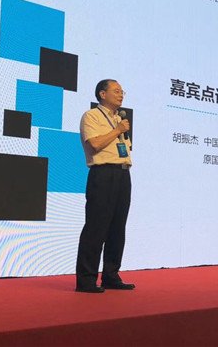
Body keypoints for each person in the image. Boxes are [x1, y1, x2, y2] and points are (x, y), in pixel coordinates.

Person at [75, 79, 135, 293]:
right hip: (102, 174)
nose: (121, 95)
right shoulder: (91, 116)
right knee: (96, 227)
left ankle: (111, 275)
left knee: (117, 228)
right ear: (102, 94)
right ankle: (86, 280)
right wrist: (117, 130)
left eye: (122, 91)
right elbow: (95, 144)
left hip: (122, 174)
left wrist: (119, 128)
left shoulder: (119, 118)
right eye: (116, 91)